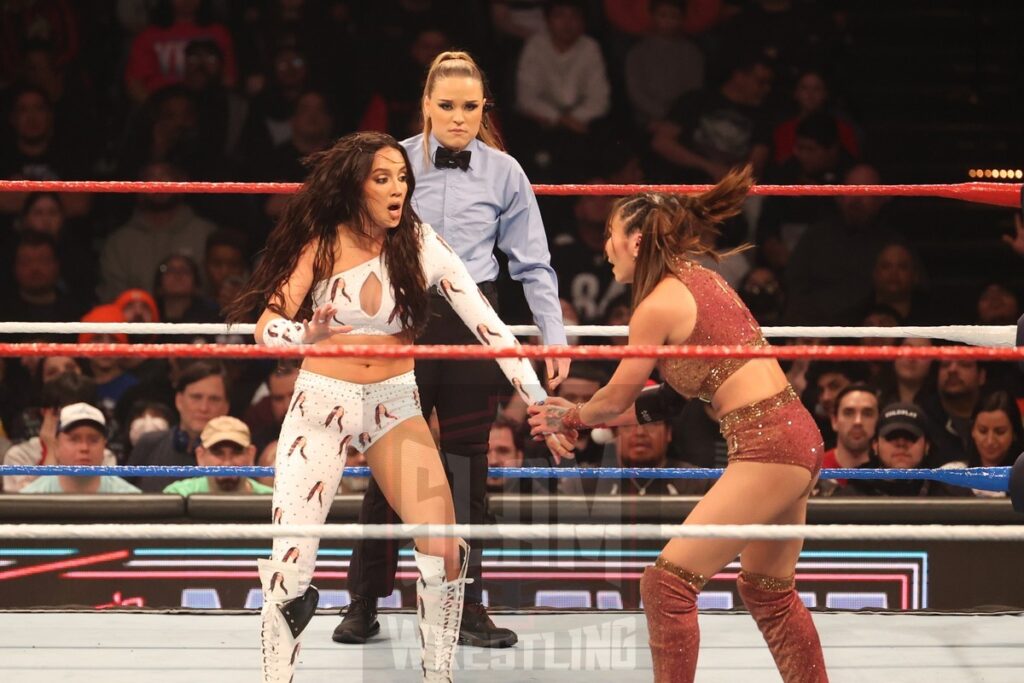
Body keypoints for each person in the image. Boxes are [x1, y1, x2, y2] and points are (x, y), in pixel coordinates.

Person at [225, 131, 560, 683]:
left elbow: (488, 326)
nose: (397, 188)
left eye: (402, 177)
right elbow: (268, 324)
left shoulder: (422, 244)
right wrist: (303, 337)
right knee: (291, 563)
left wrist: (540, 401)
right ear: (356, 187)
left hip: (393, 405)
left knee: (445, 549)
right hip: (323, 403)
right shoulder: (323, 243)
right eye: (382, 178)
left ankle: (438, 676)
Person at [529, 167, 827, 682]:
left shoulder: (656, 305)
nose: (606, 247)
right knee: (766, 590)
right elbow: (665, 401)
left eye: (611, 235)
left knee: (666, 585)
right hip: (793, 434)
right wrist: (581, 415)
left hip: (769, 445)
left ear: (637, 241)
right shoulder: (700, 280)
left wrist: (573, 415)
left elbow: (618, 394)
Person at [335, 51, 568, 651]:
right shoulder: (390, 163)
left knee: (468, 466)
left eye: (470, 107)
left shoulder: (506, 172)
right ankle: (363, 601)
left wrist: (553, 334)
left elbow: (533, 262)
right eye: (447, 106)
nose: (459, 118)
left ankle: (465, 605)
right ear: (427, 106)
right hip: (399, 318)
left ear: (484, 108)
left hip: (474, 320)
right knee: (388, 460)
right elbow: (349, 238)